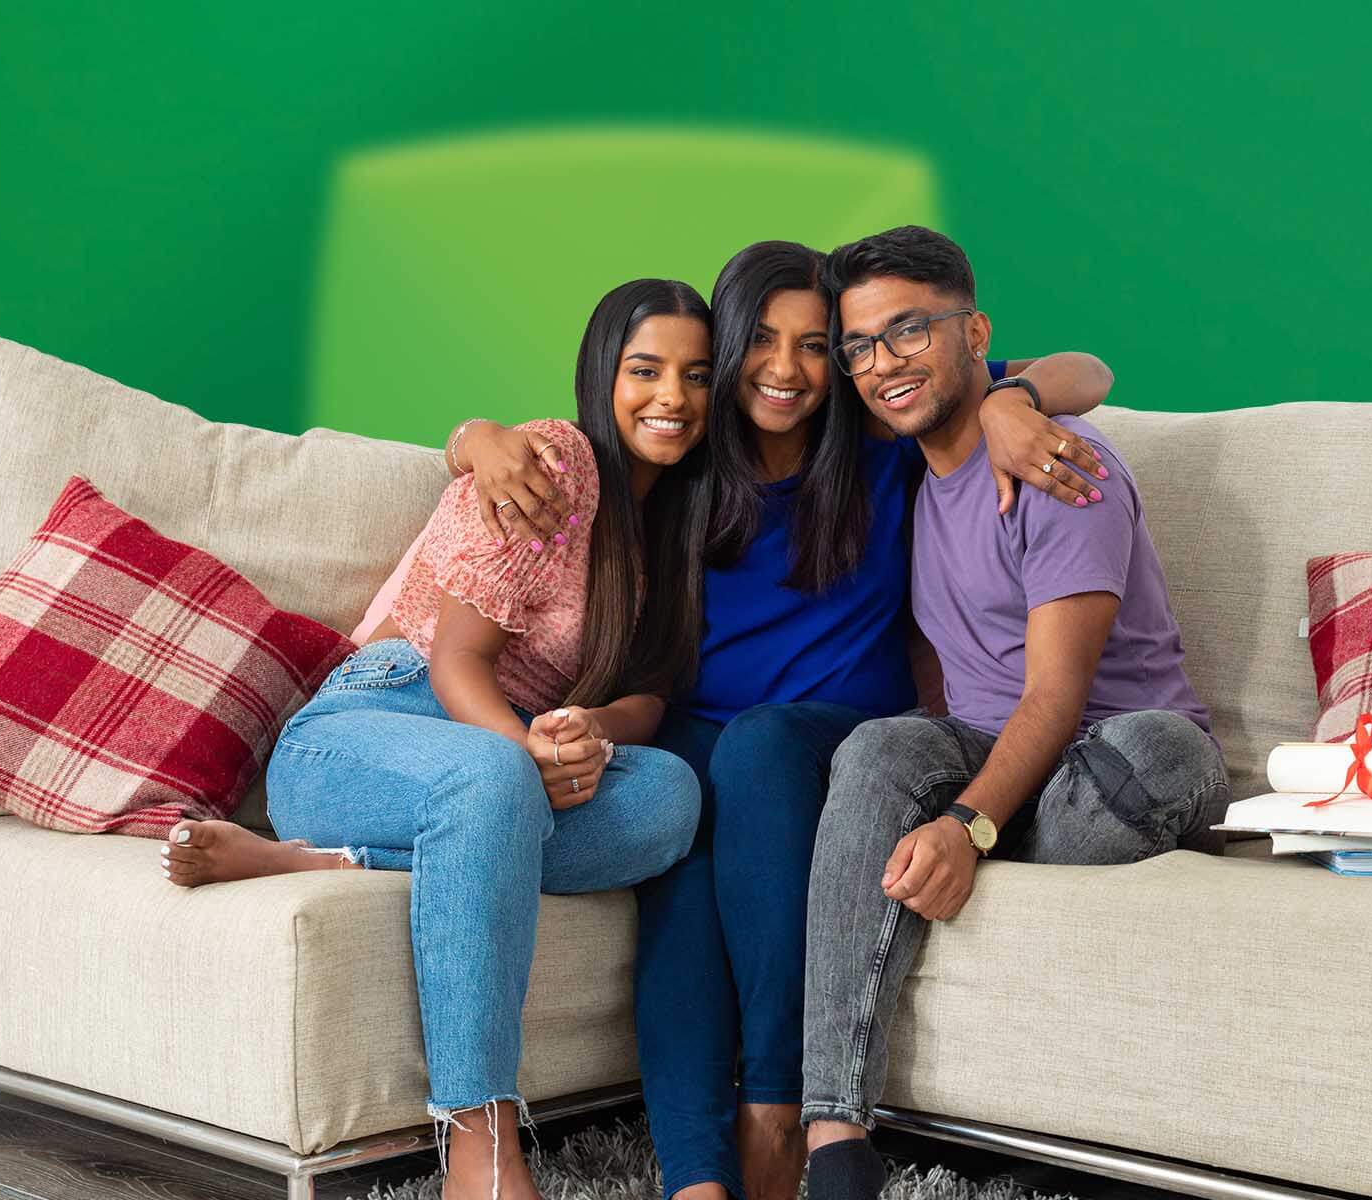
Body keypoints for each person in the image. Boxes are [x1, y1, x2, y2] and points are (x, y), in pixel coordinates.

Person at [449, 240, 1115, 1200]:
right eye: (760, 340)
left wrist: (1016, 401)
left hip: (832, 738)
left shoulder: (882, 437)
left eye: (814, 346)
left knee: (757, 750)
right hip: (696, 729)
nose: (785, 369)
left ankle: (773, 1110)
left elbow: (1090, 371)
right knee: (676, 851)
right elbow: (558, 450)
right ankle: (696, 1181)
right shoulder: (685, 462)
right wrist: (473, 433)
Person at [164, 279, 714, 1200]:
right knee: (491, 782)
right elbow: (460, 659)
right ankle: (480, 1140)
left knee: (671, 797)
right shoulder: (559, 460)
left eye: (697, 376)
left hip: (500, 755)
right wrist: (525, 756)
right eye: (645, 370)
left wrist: (591, 736)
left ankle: (331, 863)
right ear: (600, 375)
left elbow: (648, 697)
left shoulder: (680, 525)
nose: (673, 397)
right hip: (374, 725)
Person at [795, 226, 1224, 1200]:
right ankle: (833, 1137)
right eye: (857, 344)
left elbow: (1055, 697)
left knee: (1147, 749)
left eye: (905, 331)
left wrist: (962, 823)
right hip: (997, 753)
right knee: (876, 745)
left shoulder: (1058, 466)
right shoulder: (904, 458)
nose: (880, 364)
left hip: (1114, 757)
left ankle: (994, 835)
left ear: (973, 332)